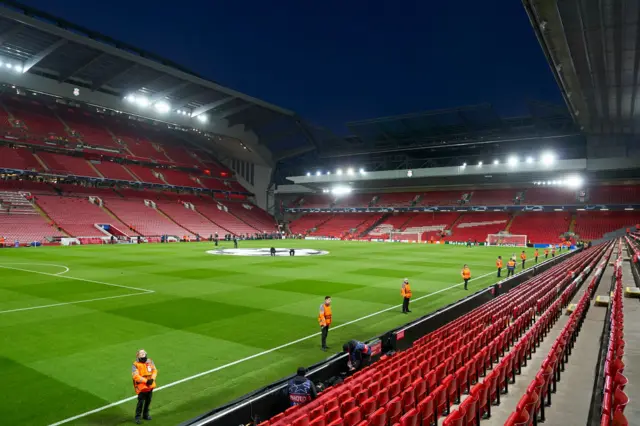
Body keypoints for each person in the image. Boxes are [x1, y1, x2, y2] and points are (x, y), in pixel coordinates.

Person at [131, 349, 157, 424]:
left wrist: (152, 379)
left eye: (144, 352)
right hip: (142, 386)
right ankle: (137, 417)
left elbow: (154, 370)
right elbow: (135, 376)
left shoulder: (150, 361)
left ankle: (146, 414)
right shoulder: (135, 364)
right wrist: (146, 381)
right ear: (138, 355)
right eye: (141, 353)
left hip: (150, 385)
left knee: (148, 400)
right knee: (141, 402)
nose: (143, 354)